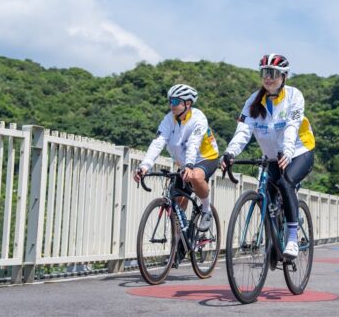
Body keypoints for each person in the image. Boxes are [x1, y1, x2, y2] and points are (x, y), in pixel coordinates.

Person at [220, 54, 315, 258]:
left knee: (285, 183)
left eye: (273, 73)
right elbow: (243, 131)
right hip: (272, 155)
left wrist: (288, 152)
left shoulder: (294, 96)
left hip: (299, 150)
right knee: (268, 198)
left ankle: (291, 238)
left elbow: (292, 125)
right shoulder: (253, 101)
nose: (268, 78)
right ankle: (272, 240)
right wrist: (230, 152)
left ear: (284, 76)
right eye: (264, 73)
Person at [134, 84, 219, 232]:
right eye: (170, 101)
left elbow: (193, 144)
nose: (171, 105)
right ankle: (180, 246)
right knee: (177, 207)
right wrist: (144, 166)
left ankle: (206, 210)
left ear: (188, 103)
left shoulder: (199, 118)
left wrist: (190, 165)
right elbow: (158, 143)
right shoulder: (168, 120)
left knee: (196, 177)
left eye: (175, 101)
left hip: (205, 158)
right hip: (185, 163)